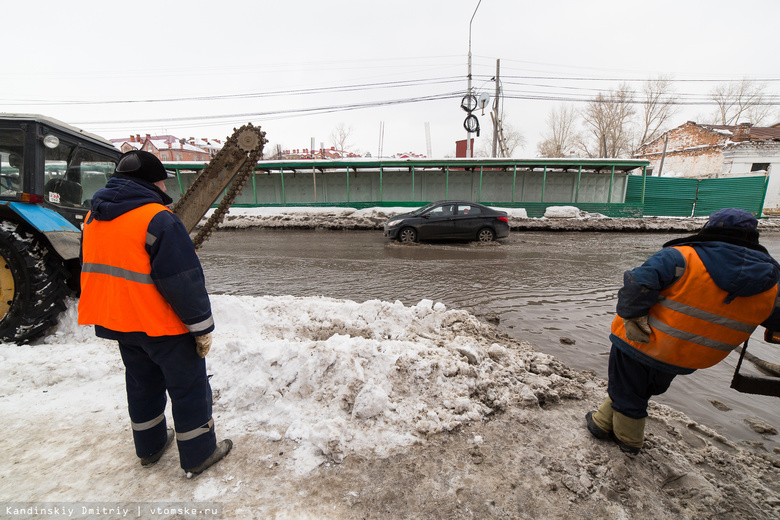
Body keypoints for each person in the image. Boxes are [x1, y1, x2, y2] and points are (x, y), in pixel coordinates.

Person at [78, 150, 232, 474]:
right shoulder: (157, 218)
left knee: (141, 383)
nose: (164, 185)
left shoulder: (93, 217)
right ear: (153, 181)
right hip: (160, 325)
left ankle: (149, 447)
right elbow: (182, 282)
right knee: (189, 388)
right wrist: (202, 327)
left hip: (118, 321)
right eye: (162, 178)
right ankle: (199, 454)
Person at [586, 208, 780, 454]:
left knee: (628, 388)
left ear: (711, 227)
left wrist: (632, 315)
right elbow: (776, 320)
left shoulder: (681, 256)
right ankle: (601, 423)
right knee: (638, 388)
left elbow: (638, 282)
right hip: (694, 354)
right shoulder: (773, 277)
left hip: (643, 340)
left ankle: (629, 441)